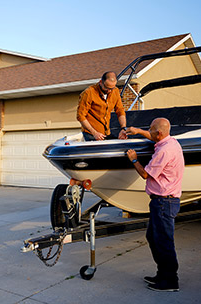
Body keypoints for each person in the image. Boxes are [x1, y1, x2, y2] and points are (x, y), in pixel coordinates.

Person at [126, 118, 184, 292]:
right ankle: (163, 274)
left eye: (150, 130)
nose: (149, 133)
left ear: (159, 133)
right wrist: (137, 130)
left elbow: (145, 174)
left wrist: (134, 159)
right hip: (163, 201)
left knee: (164, 242)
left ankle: (171, 281)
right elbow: (153, 137)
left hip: (164, 202)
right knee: (153, 238)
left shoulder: (164, 151)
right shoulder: (171, 142)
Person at [77, 71, 127, 141]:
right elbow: (81, 116)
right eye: (107, 88)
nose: (109, 91)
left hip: (106, 133)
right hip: (91, 134)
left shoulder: (115, 91)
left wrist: (123, 128)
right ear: (101, 82)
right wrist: (94, 133)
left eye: (112, 88)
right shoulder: (89, 93)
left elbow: (120, 111)